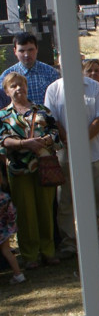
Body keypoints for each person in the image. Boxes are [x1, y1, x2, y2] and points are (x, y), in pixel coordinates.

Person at [44, 66, 99, 259]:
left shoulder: (94, 87)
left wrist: (81, 140)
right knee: (66, 201)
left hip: (95, 153)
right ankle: (69, 244)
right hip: (66, 154)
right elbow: (52, 120)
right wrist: (69, 139)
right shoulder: (54, 89)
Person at [0, 72, 62, 269]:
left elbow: (55, 133)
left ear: (27, 86)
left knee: (46, 209)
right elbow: (3, 140)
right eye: (13, 86)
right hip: (19, 170)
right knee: (25, 213)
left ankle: (49, 251)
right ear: (7, 91)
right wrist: (25, 143)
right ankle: (29, 255)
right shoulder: (3, 115)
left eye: (21, 84)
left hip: (44, 167)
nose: (18, 88)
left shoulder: (42, 110)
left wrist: (43, 141)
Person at [0, 32, 61, 107]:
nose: (26, 55)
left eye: (30, 50)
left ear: (37, 49)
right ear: (15, 51)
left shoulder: (51, 73)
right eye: (22, 51)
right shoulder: (6, 76)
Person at [0, 190, 27, 283]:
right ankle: (19, 274)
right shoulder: (5, 197)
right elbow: (12, 213)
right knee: (7, 251)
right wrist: (11, 225)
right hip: (3, 229)